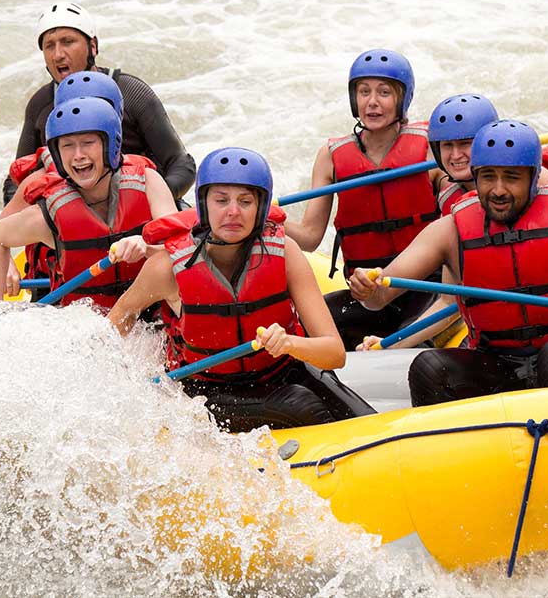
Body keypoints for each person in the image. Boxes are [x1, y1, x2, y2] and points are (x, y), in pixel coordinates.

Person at [348, 120, 548, 406]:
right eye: (488, 177)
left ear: (533, 178)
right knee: (430, 366)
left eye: (511, 177)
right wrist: (366, 288)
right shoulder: (450, 230)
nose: (498, 190)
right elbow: (379, 297)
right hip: (499, 362)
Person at [109, 147, 375, 431]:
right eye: (221, 200)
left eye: (245, 201)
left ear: (260, 208)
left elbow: (335, 353)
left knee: (366, 420)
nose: (233, 212)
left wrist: (289, 343)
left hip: (282, 371)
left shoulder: (286, 252)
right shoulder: (167, 268)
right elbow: (115, 325)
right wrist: (128, 384)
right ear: (204, 205)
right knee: (301, 405)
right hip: (207, 391)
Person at [354, 93, 548, 351]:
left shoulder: (538, 183)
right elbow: (448, 301)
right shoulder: (455, 205)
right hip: (501, 327)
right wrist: (390, 345)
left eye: (465, 144)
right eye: (447, 146)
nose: (456, 155)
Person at [284, 49, 444, 350]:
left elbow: (459, 215)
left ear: (402, 99)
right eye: (364, 91)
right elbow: (309, 237)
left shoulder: (430, 149)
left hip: (426, 283)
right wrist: (268, 217)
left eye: (384, 92)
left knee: (411, 341)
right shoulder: (330, 156)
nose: (372, 101)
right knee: (304, 329)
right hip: (366, 290)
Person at [0, 96, 177, 306]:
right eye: (67, 145)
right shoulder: (50, 213)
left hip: (151, 311)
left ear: (111, 145)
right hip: (85, 319)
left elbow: (179, 245)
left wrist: (146, 246)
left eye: (88, 143)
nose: (78, 155)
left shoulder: (148, 182)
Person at [1, 1, 195, 206]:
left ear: (92, 46)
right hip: (76, 213)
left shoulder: (131, 92)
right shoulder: (41, 104)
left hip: (144, 203)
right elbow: (16, 180)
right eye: (49, 46)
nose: (58, 54)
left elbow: (182, 164)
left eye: (67, 42)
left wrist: (149, 201)